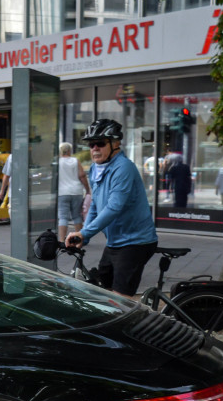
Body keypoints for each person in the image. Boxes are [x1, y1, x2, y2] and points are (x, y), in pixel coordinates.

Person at [65, 119, 158, 297]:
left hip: (135, 242)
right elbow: (95, 206)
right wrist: (85, 235)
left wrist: (84, 233)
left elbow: (114, 207)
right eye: (91, 144)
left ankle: (135, 323)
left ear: (115, 144)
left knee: (120, 299)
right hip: (115, 242)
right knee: (102, 290)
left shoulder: (124, 168)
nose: (94, 149)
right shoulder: (95, 169)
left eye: (100, 143)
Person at [56, 141, 90, 242]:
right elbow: (82, 175)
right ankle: (78, 239)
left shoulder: (58, 162)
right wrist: (87, 189)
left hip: (62, 192)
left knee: (63, 217)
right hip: (76, 191)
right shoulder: (75, 161)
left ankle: (62, 240)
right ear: (70, 151)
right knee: (77, 216)